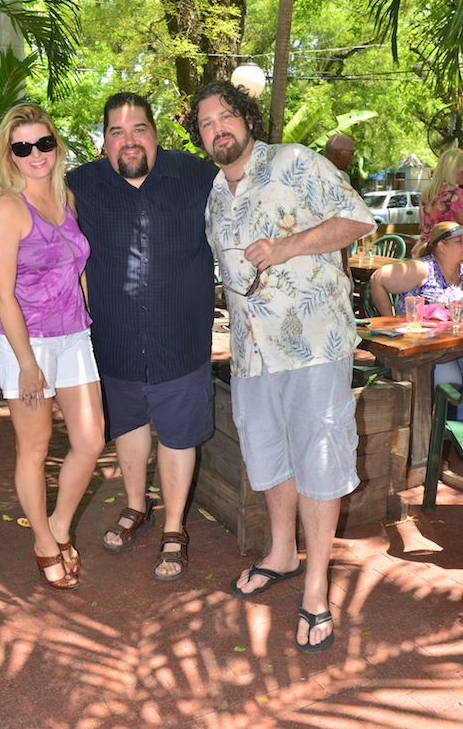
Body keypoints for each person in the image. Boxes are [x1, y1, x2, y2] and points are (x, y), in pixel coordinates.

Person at [183, 82, 375, 653]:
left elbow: (358, 220)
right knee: (268, 454)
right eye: (205, 123)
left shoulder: (295, 162)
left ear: (245, 118)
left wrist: (288, 246)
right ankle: (281, 552)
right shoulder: (215, 192)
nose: (217, 128)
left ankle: (316, 585)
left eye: (225, 117)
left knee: (318, 456)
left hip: (314, 345)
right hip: (252, 351)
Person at [65, 92, 218, 581]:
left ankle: (174, 526)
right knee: (127, 428)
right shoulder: (78, 185)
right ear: (103, 142)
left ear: (156, 134)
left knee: (176, 435)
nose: (128, 141)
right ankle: (137, 506)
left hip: (180, 338)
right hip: (114, 339)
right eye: (116, 132)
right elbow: (35, 215)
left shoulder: (198, 175)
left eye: (138, 130)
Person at [0, 103, 105, 591]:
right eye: (22, 147)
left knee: (91, 440)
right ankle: (41, 541)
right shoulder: (8, 207)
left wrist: (88, 325)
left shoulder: (66, 198)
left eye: (43, 143)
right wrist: (29, 365)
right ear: (9, 155)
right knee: (33, 448)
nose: (36, 154)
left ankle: (58, 525)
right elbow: (2, 294)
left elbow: (77, 271)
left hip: (73, 335)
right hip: (24, 341)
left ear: (56, 144)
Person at [371, 220, 463, 408]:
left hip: (454, 345)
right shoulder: (423, 269)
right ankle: (438, 431)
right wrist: (389, 322)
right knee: (452, 383)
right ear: (441, 246)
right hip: (424, 351)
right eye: (460, 241)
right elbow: (378, 278)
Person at [411, 148, 463, 257]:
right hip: (447, 253)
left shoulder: (426, 193)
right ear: (454, 170)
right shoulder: (455, 194)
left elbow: (422, 225)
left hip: (423, 249)